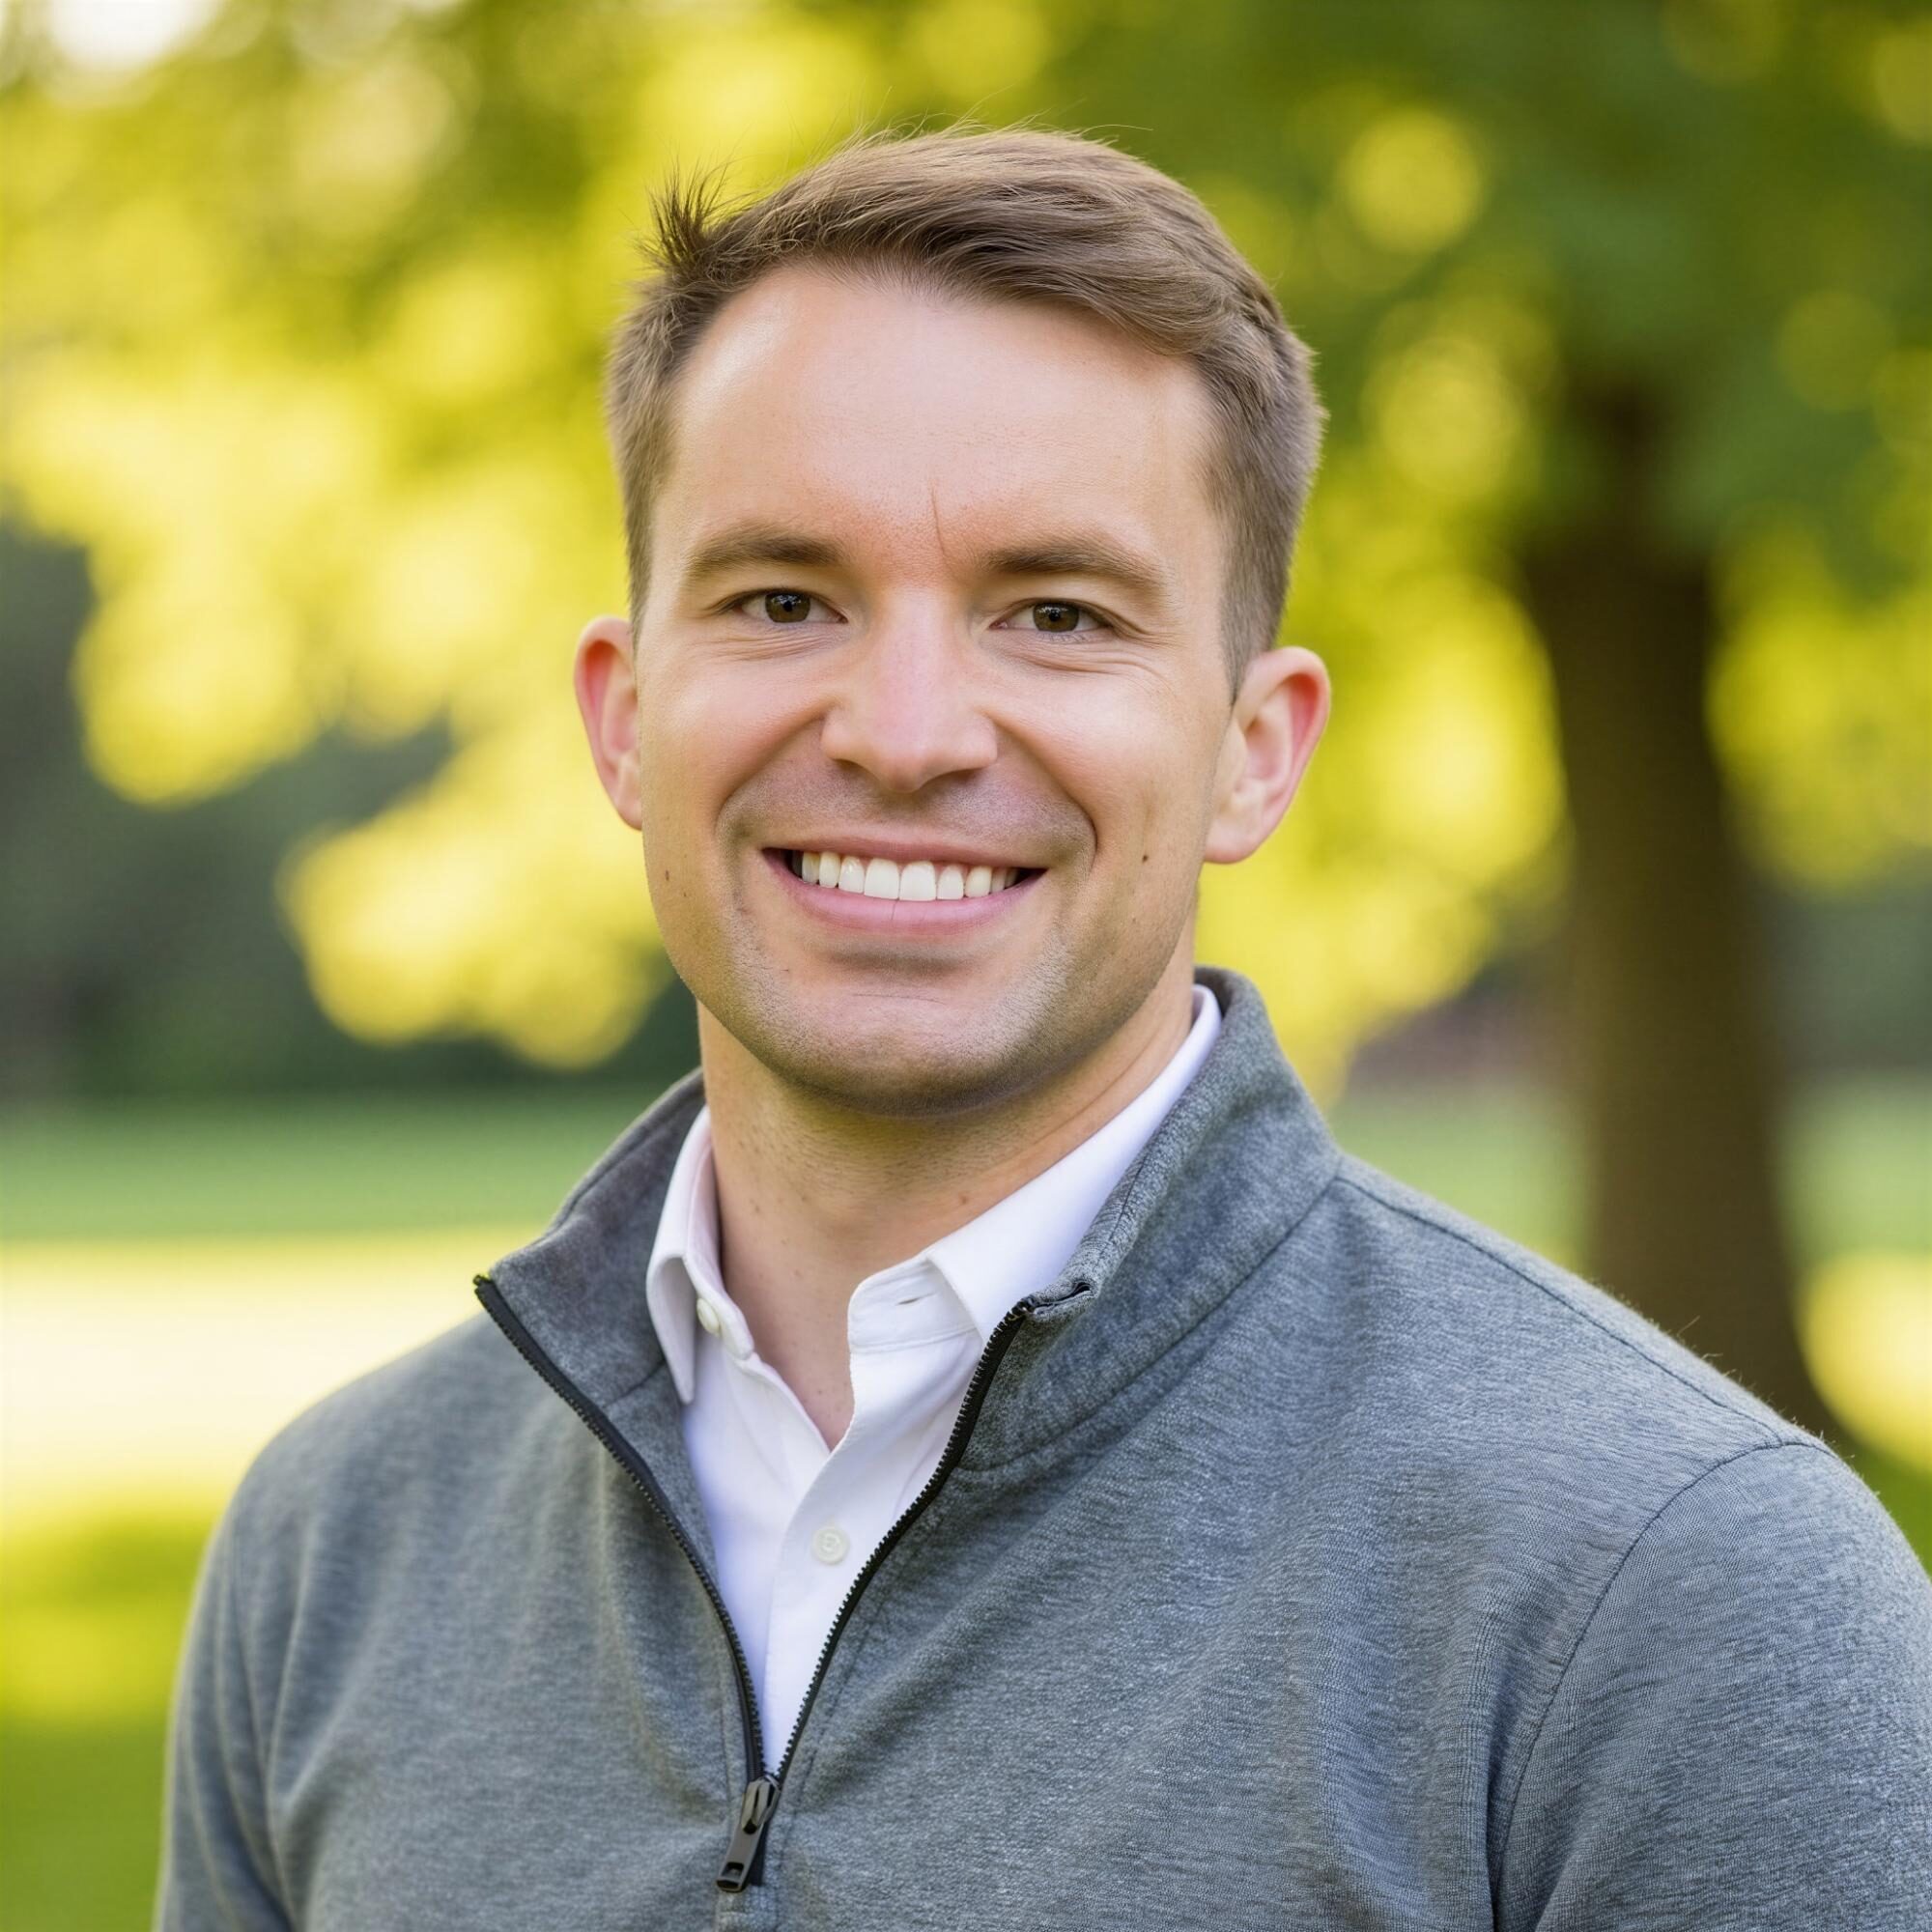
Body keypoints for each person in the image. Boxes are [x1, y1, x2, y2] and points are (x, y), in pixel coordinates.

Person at [156, 127, 1931, 1930]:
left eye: (1057, 615)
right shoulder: (333, 1546)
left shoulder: (1679, 1593)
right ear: (624, 718)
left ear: (1256, 749)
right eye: (784, 599)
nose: (908, 730)